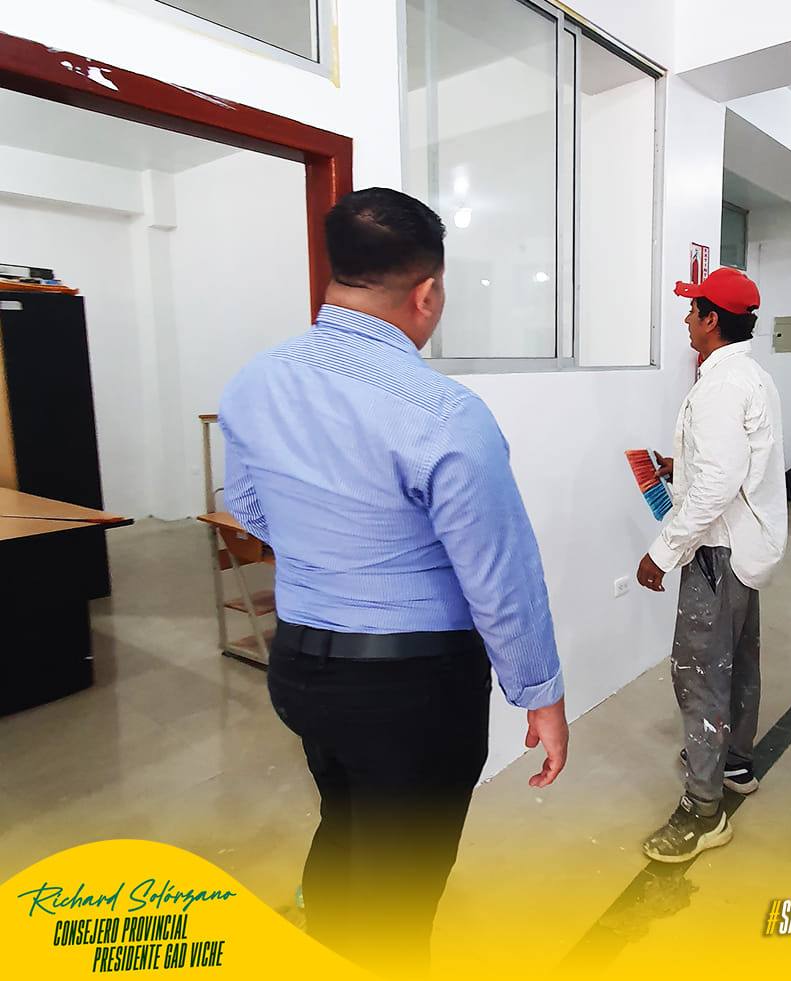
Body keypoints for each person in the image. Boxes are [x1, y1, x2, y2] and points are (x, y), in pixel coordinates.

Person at [218, 187, 568, 974]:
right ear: (427, 292)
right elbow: (499, 574)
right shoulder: (444, 413)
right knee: (400, 890)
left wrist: (326, 547)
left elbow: (247, 504)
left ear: (336, 271)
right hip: (412, 691)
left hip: (299, 667)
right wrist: (540, 694)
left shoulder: (254, 381)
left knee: (343, 819)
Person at [635, 266, 787, 863]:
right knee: (739, 660)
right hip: (748, 547)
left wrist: (662, 551)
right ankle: (735, 765)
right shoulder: (752, 376)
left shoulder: (721, 385)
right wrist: (681, 466)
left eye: (693, 309)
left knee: (699, 674)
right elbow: (736, 462)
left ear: (713, 319)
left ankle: (703, 811)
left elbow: (719, 483)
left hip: (717, 552)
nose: (686, 318)